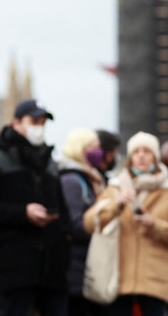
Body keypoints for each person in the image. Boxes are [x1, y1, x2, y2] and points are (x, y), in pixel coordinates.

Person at [0, 99, 70, 316]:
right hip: (15, 265)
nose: (39, 127)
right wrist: (23, 213)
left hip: (51, 269)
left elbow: (64, 213)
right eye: (34, 121)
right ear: (17, 123)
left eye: (43, 122)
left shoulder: (50, 164)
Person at [82, 132, 168, 316]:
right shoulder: (116, 186)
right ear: (130, 157)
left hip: (153, 284)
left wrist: (154, 225)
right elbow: (89, 223)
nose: (141, 156)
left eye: (147, 151)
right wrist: (116, 205)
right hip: (118, 281)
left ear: (155, 157)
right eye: (136, 152)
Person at [58, 128, 106, 316]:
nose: (99, 152)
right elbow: (75, 223)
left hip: (89, 266)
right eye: (94, 148)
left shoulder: (93, 179)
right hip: (77, 269)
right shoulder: (72, 180)